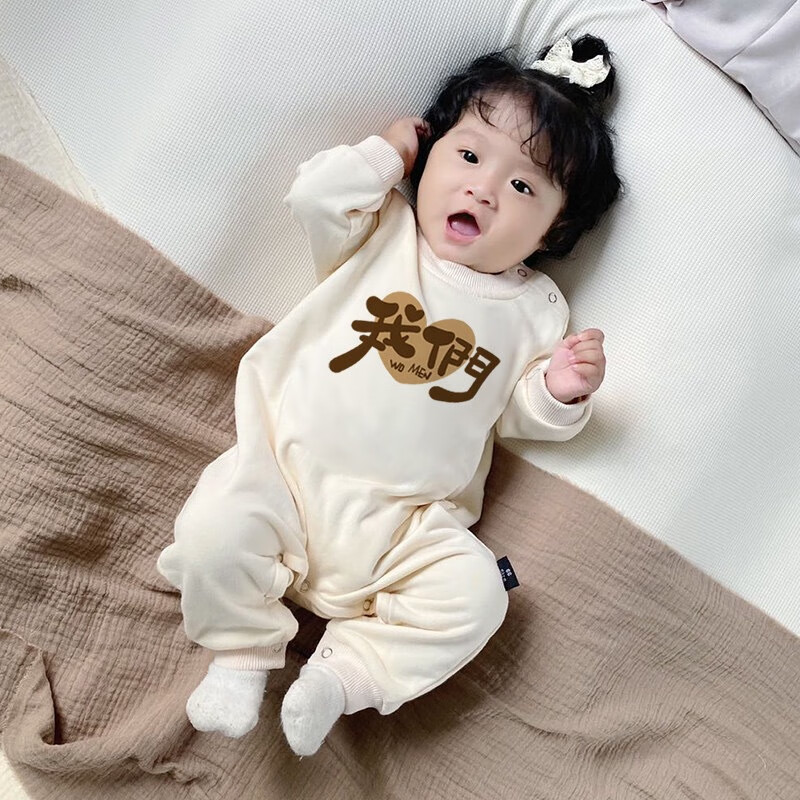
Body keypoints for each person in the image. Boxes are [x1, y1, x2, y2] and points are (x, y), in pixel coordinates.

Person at [156, 33, 621, 757]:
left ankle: (342, 678)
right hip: (282, 474)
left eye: (523, 187)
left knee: (478, 599)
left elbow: (514, 415)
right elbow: (315, 196)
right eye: (469, 157)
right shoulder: (381, 232)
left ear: (554, 229)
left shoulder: (537, 311)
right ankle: (241, 655)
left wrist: (559, 392)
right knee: (212, 534)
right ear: (430, 156)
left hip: (407, 527)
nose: (483, 190)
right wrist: (386, 155)